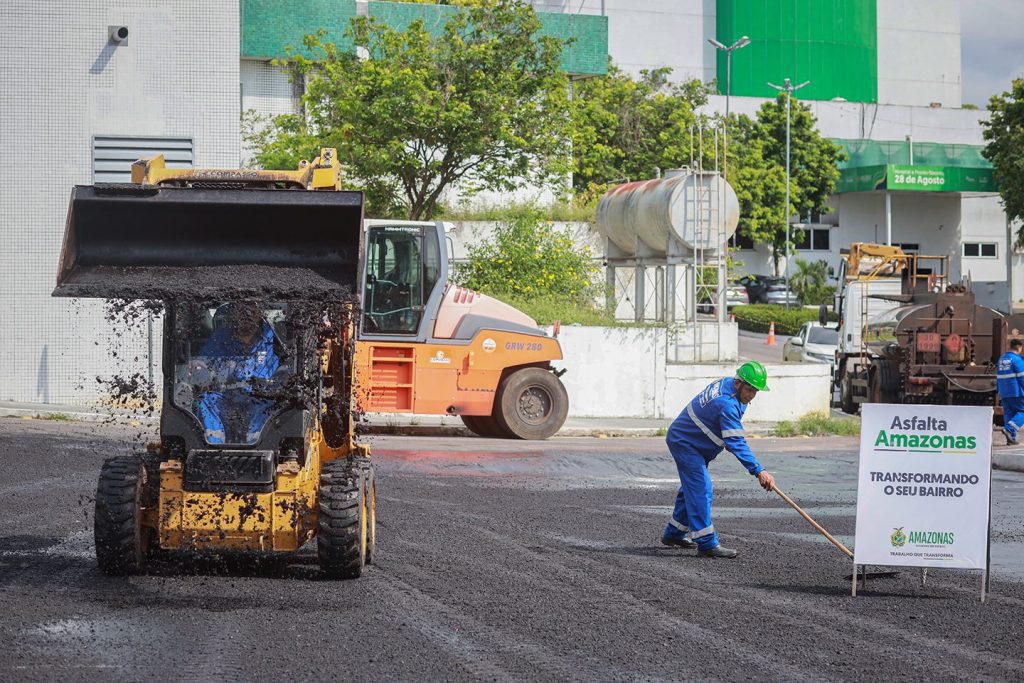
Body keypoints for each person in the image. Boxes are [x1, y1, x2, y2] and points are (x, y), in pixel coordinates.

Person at [660, 361, 776, 558]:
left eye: (755, 391)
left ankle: (674, 533)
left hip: (693, 441)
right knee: (701, 488)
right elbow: (736, 442)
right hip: (686, 443)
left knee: (692, 487)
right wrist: (759, 470)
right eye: (749, 390)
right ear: (738, 383)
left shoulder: (728, 384)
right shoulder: (726, 403)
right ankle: (706, 543)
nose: (751, 396)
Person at [195, 302, 280, 444]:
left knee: (269, 405)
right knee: (206, 400)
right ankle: (213, 448)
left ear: (259, 313)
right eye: (242, 310)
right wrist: (200, 369)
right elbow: (204, 362)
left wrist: (281, 378)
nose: (246, 315)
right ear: (234, 313)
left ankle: (259, 445)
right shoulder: (221, 337)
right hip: (226, 394)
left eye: (251, 309)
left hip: (261, 396)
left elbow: (288, 365)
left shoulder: (273, 337)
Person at [997, 338, 1024, 445]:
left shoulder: (1002, 359)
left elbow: (998, 376)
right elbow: (1022, 378)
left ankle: (1011, 439)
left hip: (1004, 393)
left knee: (1009, 414)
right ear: (1019, 347)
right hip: (1016, 392)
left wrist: (998, 390)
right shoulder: (1017, 360)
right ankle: (1009, 429)